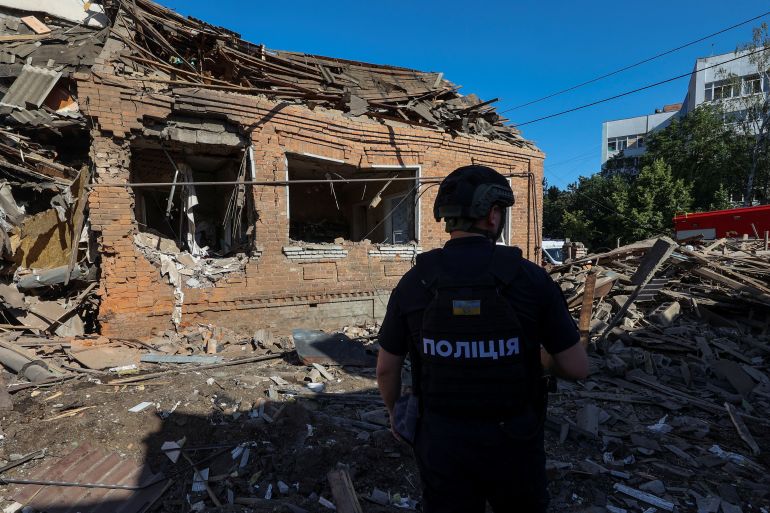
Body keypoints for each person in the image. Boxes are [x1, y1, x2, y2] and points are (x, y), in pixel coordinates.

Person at [376, 165, 588, 513]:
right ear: (492, 215)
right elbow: (577, 367)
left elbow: (386, 369)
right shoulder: (531, 279)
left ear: (446, 217)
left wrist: (393, 412)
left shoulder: (414, 282)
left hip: (441, 442)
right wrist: (540, 359)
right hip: (515, 441)